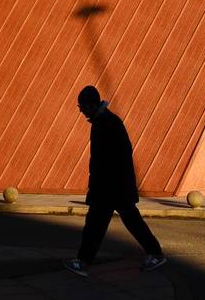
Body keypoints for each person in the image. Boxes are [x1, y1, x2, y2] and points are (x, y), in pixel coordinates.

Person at [64, 85, 166, 277]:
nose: (81, 110)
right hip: (115, 187)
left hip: (110, 187)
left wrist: (98, 187)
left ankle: (83, 262)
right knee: (125, 221)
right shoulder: (105, 121)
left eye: (83, 106)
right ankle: (154, 253)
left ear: (93, 104)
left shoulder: (106, 124)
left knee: (96, 225)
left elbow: (109, 159)